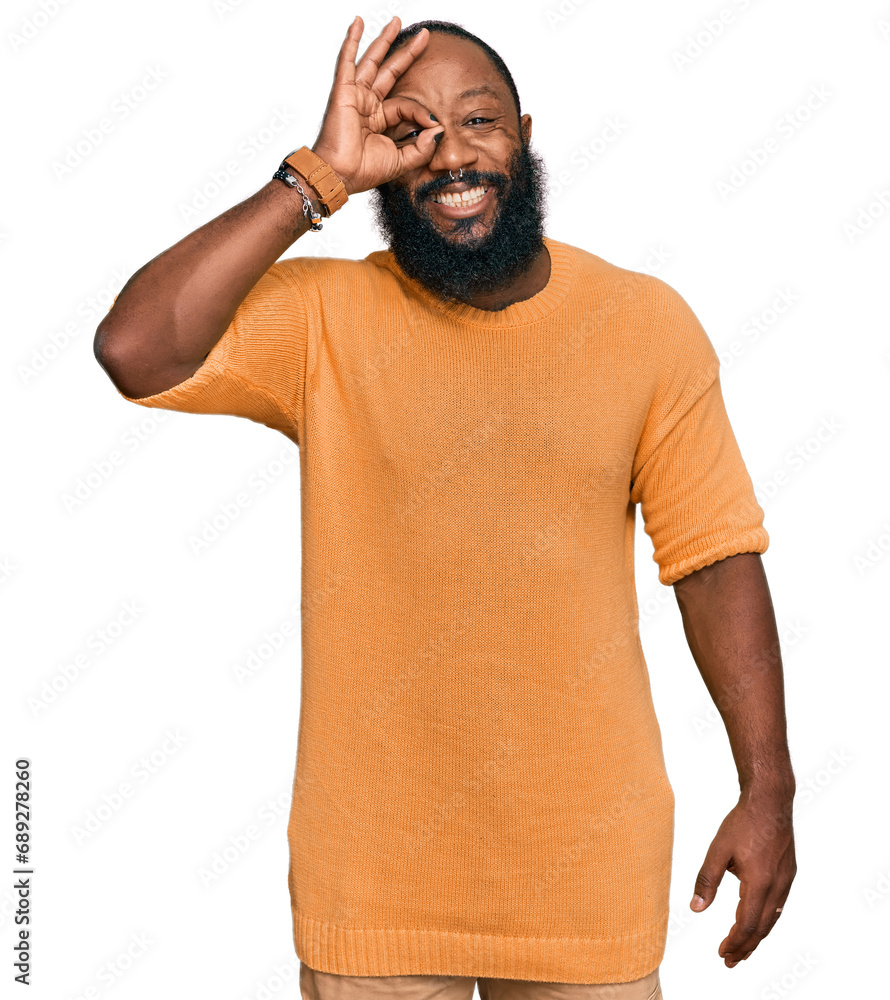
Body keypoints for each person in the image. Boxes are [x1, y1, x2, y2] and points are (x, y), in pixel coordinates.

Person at [93, 15, 797, 1000]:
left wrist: (767, 789)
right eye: (413, 129)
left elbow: (716, 559)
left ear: (525, 132)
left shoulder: (642, 326)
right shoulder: (324, 318)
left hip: (581, 883)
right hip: (373, 891)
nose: (452, 153)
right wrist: (316, 177)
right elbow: (136, 348)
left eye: (479, 121)